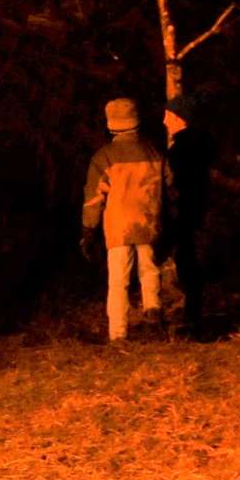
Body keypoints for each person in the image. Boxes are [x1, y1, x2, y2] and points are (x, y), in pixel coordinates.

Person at [82, 96, 176, 343]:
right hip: (148, 221)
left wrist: (88, 229)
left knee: (118, 281)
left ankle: (118, 333)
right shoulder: (154, 152)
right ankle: (153, 312)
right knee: (149, 270)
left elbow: (94, 197)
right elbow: (170, 186)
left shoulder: (104, 156)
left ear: (111, 124)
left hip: (118, 227)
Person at [163, 95, 215, 329]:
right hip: (201, 211)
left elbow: (176, 184)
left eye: (168, 115)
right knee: (193, 263)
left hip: (188, 213)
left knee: (188, 264)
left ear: (180, 118)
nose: (164, 121)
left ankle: (193, 320)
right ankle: (194, 316)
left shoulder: (180, 150)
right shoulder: (205, 144)